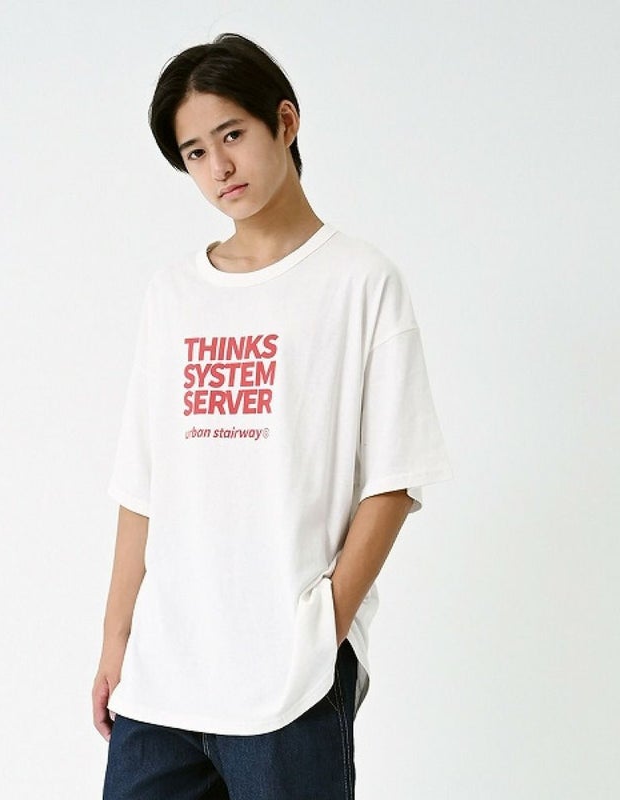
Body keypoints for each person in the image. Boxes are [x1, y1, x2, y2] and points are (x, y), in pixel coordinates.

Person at [93, 32, 453, 799]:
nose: (218, 168)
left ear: (284, 122)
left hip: (289, 679)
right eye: (194, 152)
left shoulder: (360, 282)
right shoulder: (173, 294)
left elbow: (393, 480)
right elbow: (142, 485)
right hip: (163, 677)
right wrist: (116, 640)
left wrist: (323, 626)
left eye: (232, 135)